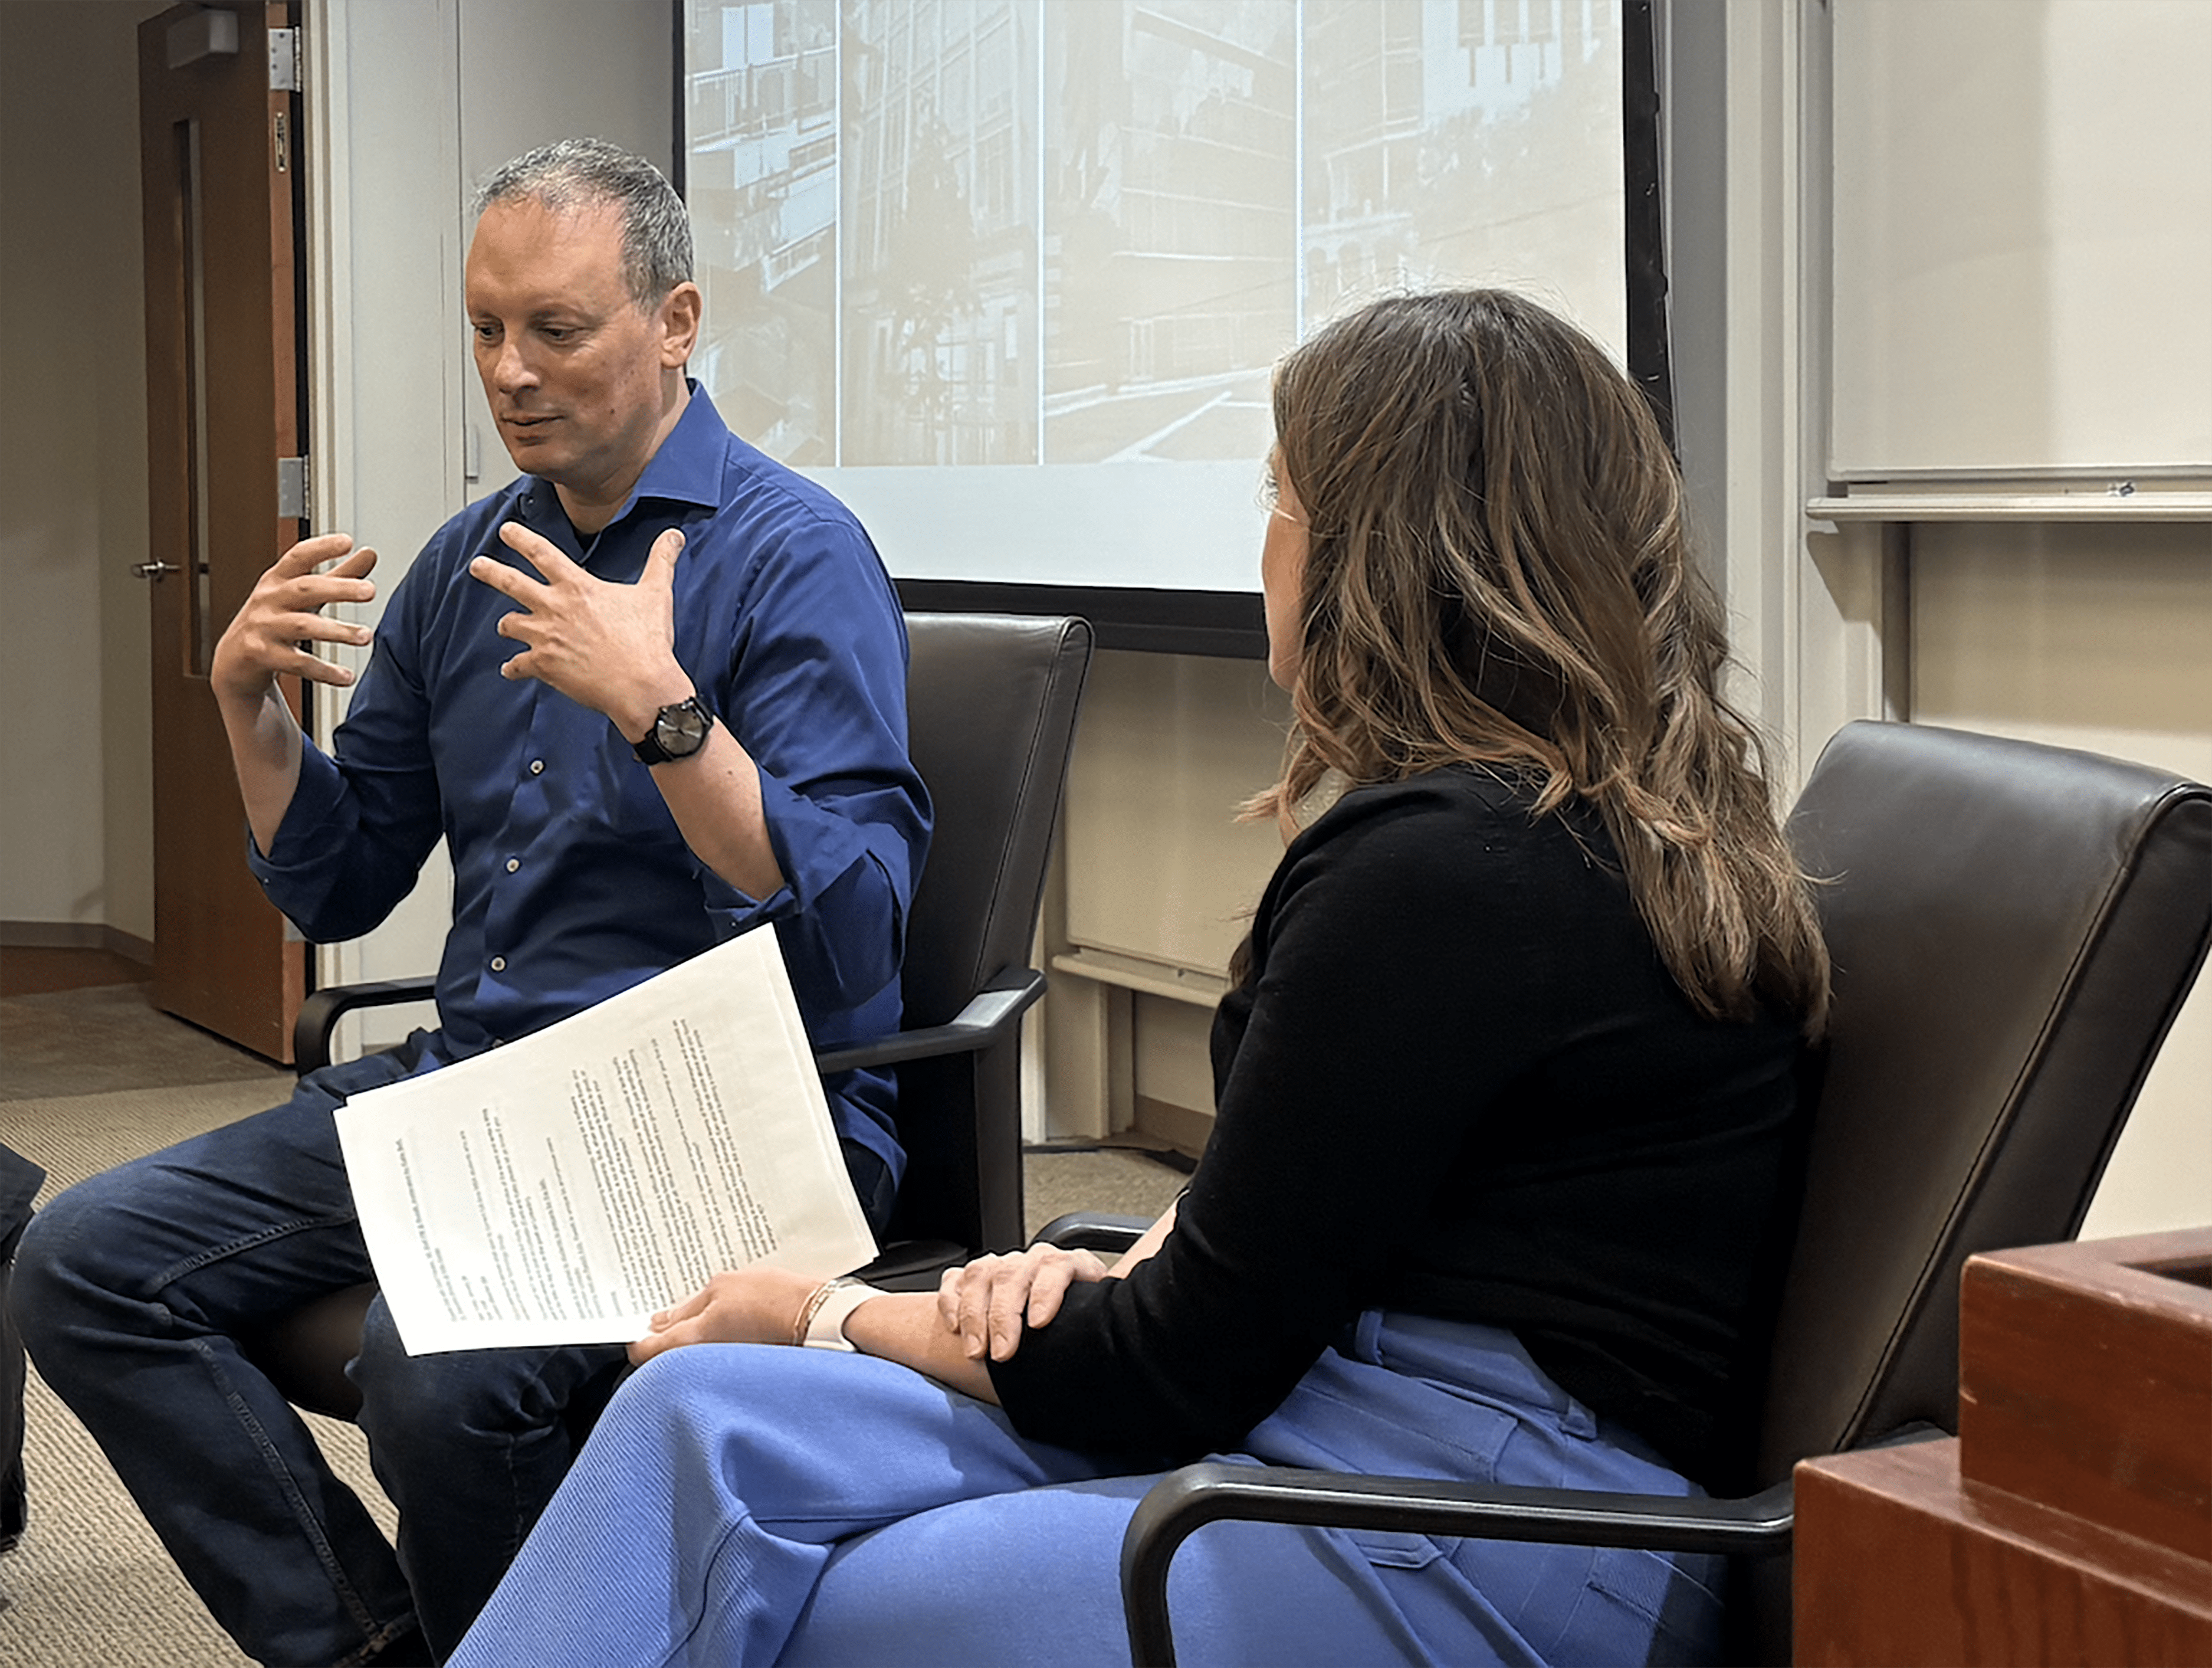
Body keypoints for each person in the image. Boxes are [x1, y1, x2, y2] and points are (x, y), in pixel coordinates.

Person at [447, 287, 1834, 1668]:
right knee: (696, 1416)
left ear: (1379, 555)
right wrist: (1082, 1277)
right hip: (1337, 1400)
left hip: (1494, 1528)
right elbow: (1324, 1217)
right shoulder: (1541, 829)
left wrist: (826, 1313)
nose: (1265, 542)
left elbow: (1172, 1374)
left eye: (1279, 498)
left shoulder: (1445, 877)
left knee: (806, 1602)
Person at [11, 139, 928, 1668]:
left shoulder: (791, 553)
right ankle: (384, 1646)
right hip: (484, 1096)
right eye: (485, 330)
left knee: (431, 1370)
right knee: (82, 1261)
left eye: (555, 330)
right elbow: (348, 872)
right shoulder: (463, 566)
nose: (509, 372)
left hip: (722, 1115)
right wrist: (249, 713)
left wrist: (666, 719)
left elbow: (857, 926)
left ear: (676, 320)